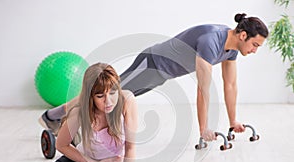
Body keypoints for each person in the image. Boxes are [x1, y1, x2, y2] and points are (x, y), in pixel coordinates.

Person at [39, 13, 268, 142]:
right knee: (106, 97)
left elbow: (230, 85)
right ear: (243, 34)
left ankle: (54, 116)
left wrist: (233, 121)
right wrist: (203, 130)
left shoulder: (231, 50)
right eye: (255, 45)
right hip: (151, 63)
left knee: (110, 98)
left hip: (161, 75)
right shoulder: (212, 40)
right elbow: (203, 90)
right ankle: (57, 118)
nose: (255, 50)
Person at [6, 63, 153, 162]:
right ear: (90, 96)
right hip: (82, 160)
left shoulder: (127, 101)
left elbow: (130, 147)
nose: (108, 101)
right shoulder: (80, 110)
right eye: (100, 96)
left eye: (112, 92)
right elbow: (61, 144)